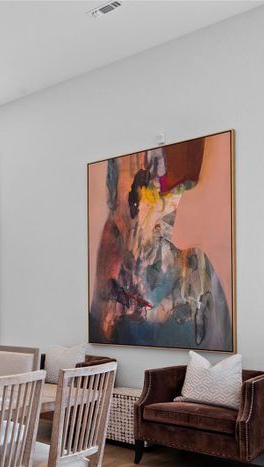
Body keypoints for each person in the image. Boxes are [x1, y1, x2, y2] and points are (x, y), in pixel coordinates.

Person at [89, 137, 233, 351]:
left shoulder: (196, 274)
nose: (170, 205)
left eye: (176, 191)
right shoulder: (110, 269)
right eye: (148, 184)